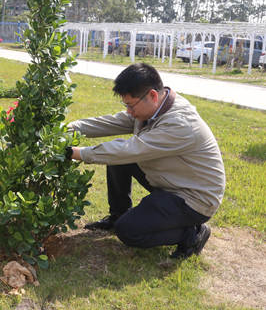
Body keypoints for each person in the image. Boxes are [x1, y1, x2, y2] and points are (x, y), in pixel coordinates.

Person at [68, 63, 225, 259]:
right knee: (119, 159)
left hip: (193, 197)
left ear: (152, 95)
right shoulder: (156, 106)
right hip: (172, 179)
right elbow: (114, 122)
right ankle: (118, 215)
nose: (128, 111)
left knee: (128, 231)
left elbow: (131, 150)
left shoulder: (180, 123)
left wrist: (76, 153)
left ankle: (192, 232)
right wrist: (71, 128)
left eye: (130, 105)